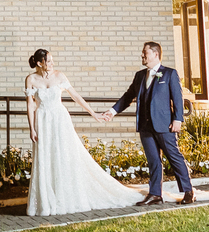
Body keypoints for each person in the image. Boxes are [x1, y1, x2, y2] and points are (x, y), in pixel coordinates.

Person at [24, 48, 145, 215]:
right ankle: (47, 201)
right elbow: (30, 104)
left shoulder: (59, 76)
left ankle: (65, 198)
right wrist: (32, 128)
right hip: (43, 121)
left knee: (64, 155)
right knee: (46, 157)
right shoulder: (30, 79)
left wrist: (93, 113)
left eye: (52, 60)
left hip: (60, 120)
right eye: (48, 61)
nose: (52, 64)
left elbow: (75, 96)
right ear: (39, 63)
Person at [101, 41, 196, 206]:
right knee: (153, 161)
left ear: (155, 54)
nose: (142, 55)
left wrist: (178, 119)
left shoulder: (169, 74)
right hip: (145, 126)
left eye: (145, 52)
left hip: (165, 125)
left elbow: (178, 99)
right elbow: (128, 96)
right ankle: (155, 194)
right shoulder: (139, 76)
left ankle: (189, 192)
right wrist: (112, 111)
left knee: (174, 157)